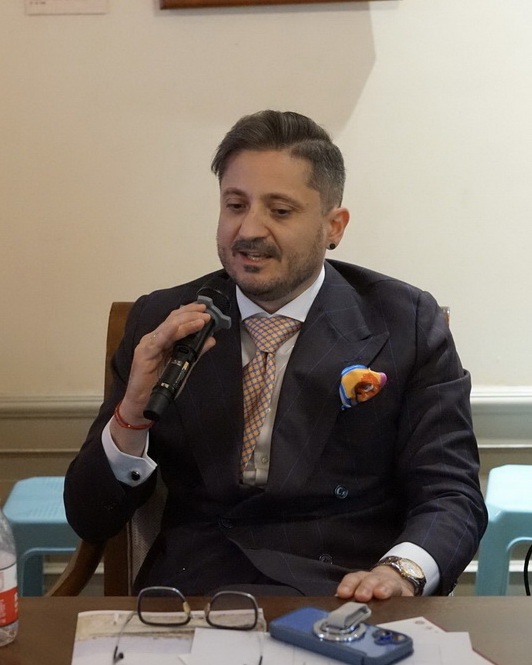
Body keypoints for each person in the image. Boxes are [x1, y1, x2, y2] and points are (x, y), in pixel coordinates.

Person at [64, 110, 487, 600]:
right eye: (235, 205)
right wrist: (133, 412)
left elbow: (450, 493)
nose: (249, 229)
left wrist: (401, 572)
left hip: (344, 592)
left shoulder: (402, 322)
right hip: (194, 595)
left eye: (280, 211)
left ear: (334, 226)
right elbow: (90, 517)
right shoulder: (162, 321)